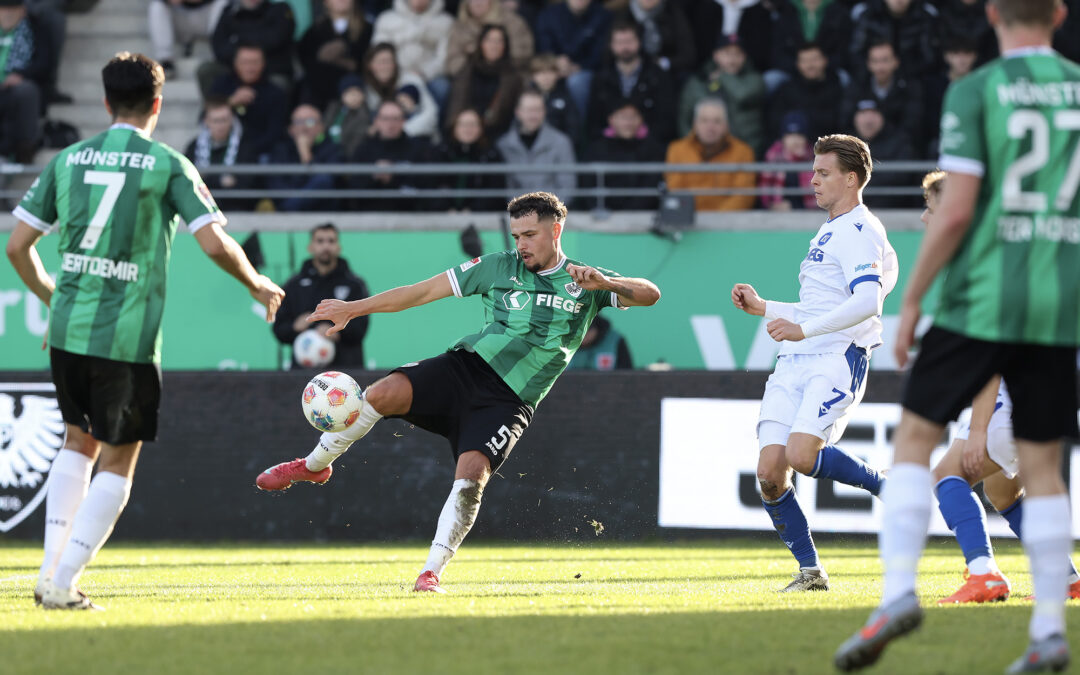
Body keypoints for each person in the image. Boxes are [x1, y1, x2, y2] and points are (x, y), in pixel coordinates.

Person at [833, 2, 1080, 671]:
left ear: (994, 13)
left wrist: (912, 298)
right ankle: (1051, 630)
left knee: (918, 441)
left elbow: (959, 205)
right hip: (1058, 299)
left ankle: (898, 594)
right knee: (1039, 468)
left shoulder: (977, 90)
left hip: (987, 290)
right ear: (1058, 13)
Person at [254, 191, 661, 593]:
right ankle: (313, 464)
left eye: (529, 235)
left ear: (556, 231)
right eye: (516, 234)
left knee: (471, 478)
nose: (520, 244)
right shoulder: (499, 266)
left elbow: (650, 294)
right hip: (465, 368)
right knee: (380, 393)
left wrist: (607, 282)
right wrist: (354, 308)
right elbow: (422, 292)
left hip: (510, 401)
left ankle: (431, 572)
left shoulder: (585, 280)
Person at [5, 52, 283, 610]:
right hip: (126, 337)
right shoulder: (168, 165)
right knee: (118, 458)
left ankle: (47, 574)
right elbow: (213, 242)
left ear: (107, 103)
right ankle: (61, 585)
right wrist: (255, 282)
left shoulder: (67, 161)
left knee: (75, 443)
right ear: (157, 104)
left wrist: (53, 297)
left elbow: (17, 246)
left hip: (68, 329)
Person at [731, 133, 896, 593]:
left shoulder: (862, 231)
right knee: (768, 474)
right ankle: (810, 573)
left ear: (851, 178)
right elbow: (819, 304)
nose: (813, 179)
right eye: (814, 171)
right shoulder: (829, 229)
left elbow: (868, 302)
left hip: (836, 357)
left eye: (823, 173)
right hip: (796, 358)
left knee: (803, 456)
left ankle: (888, 487)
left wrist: (803, 329)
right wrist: (766, 307)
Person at [913, 172, 1080, 606]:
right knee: (1002, 490)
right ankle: (1066, 578)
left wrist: (978, 430)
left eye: (930, 208)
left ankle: (984, 574)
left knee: (947, 476)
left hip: (1008, 399)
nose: (924, 218)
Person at [273, 223, 370, 369]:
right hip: (303, 373)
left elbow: (361, 327)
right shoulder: (294, 285)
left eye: (331, 241)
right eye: (320, 241)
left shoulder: (354, 284)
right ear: (310, 247)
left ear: (338, 247)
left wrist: (336, 331)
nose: (326, 246)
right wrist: (295, 327)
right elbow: (279, 329)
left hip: (345, 370)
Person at [587, 20, 676, 143]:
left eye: (629, 41)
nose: (625, 47)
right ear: (611, 45)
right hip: (610, 146)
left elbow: (666, 119)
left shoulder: (658, 75)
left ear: (639, 42)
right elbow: (593, 122)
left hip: (649, 145)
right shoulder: (601, 78)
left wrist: (644, 136)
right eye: (619, 42)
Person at [678, 33, 766, 156]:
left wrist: (722, 76)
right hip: (703, 153)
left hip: (745, 153)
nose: (732, 59)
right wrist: (695, 148)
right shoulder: (698, 82)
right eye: (727, 53)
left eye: (737, 54)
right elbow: (684, 121)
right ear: (716, 55)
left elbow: (742, 95)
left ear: (744, 57)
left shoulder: (755, 80)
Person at [665, 98, 756, 211]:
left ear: (726, 126)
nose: (710, 127)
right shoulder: (677, 150)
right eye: (704, 121)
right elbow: (675, 191)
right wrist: (694, 218)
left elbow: (743, 195)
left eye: (717, 121)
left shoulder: (743, 152)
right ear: (695, 124)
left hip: (728, 224)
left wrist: (717, 220)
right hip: (688, 223)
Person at [533, 0, 613, 121]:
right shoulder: (549, 14)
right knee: (540, 77)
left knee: (577, 82)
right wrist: (556, 61)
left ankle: (579, 128)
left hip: (588, 69)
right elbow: (544, 46)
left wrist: (579, 66)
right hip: (553, 66)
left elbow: (601, 52)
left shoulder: (603, 15)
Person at [580, 99, 665, 210]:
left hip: (642, 215)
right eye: (623, 117)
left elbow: (652, 185)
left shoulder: (653, 148)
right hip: (603, 217)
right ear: (611, 119)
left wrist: (631, 212)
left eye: (633, 117)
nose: (628, 122)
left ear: (641, 120)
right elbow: (588, 185)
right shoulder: (596, 149)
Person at [208, 43, 289, 158]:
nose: (250, 68)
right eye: (245, 62)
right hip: (222, 149)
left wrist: (246, 151)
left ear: (263, 64)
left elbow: (275, 133)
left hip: (259, 152)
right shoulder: (221, 86)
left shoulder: (275, 93)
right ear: (235, 63)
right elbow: (204, 120)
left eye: (255, 62)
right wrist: (230, 102)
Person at [350, 100, 430, 211]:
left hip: (408, 216)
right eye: (385, 118)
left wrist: (393, 178)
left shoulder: (417, 150)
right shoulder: (363, 150)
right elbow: (354, 189)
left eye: (395, 119)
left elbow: (423, 188)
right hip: (368, 216)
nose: (390, 124)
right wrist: (374, 176)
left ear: (403, 121)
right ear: (376, 121)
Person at [446, 24, 524, 138]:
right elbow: (455, 106)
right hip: (465, 131)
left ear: (505, 46)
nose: (494, 45)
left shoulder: (513, 77)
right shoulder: (466, 71)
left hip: (498, 134)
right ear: (481, 43)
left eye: (499, 41)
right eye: (489, 40)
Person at [495, 90, 577, 197]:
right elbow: (505, 187)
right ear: (518, 112)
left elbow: (567, 185)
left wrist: (545, 210)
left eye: (538, 110)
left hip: (551, 211)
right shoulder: (504, 144)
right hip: (515, 211)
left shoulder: (561, 142)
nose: (534, 115)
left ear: (544, 112)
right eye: (529, 110)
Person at [184, 97, 259, 211]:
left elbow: (248, 184)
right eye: (216, 120)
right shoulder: (194, 146)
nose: (221, 125)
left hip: (236, 209)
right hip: (201, 208)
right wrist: (222, 181)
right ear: (206, 121)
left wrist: (206, 178)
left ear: (232, 120)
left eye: (224, 120)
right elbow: (188, 182)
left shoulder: (246, 146)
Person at [266, 104, 345, 212]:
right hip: (290, 207)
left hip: (322, 211)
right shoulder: (281, 149)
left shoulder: (332, 148)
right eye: (298, 122)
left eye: (310, 122)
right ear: (291, 129)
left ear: (321, 127)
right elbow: (276, 185)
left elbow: (329, 182)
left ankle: (288, 209)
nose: (304, 127)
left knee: (323, 179)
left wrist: (306, 156)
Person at [296, 0, 372, 111]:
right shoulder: (313, 31)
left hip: (354, 89)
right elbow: (307, 62)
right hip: (319, 92)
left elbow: (366, 63)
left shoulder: (367, 30)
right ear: (326, 2)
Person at [768, 41, 847, 144]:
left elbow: (841, 123)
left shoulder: (839, 88)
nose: (810, 65)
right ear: (798, 64)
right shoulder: (786, 90)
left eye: (814, 59)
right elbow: (775, 123)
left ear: (825, 60)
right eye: (804, 61)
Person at [358, 43, 439, 141]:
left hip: (414, 136)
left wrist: (399, 130)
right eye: (380, 62)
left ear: (395, 64)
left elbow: (431, 113)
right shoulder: (366, 90)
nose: (384, 66)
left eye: (388, 61)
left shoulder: (411, 80)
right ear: (370, 65)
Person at [430, 107, 506, 212]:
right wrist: (446, 209)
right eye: (463, 124)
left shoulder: (490, 155)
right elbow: (432, 186)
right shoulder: (441, 152)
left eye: (473, 125)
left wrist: (473, 210)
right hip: (443, 216)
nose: (468, 129)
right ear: (455, 127)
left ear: (481, 128)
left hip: (480, 217)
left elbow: (495, 190)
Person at [0, 0, 48, 163]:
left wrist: (20, 75)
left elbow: (43, 63)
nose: (7, 14)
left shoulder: (34, 29)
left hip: (14, 87)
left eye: (12, 10)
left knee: (25, 92)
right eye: (3, 9)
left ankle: (20, 152)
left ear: (22, 11)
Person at [850, 98, 917, 208]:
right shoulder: (846, 143)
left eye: (874, 113)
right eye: (863, 113)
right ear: (854, 118)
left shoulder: (900, 141)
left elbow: (902, 175)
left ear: (883, 117)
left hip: (893, 209)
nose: (868, 120)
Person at [371, 0, 454, 83]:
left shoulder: (446, 22)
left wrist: (424, 73)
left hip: (429, 77)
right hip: (394, 75)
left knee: (442, 86)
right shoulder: (387, 19)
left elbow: (444, 58)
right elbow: (379, 53)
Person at [148, 0, 229, 79]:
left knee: (223, 2)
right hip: (179, 17)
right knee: (157, 5)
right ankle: (166, 60)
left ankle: (220, 57)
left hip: (207, 16)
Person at [614, 0, 696, 75]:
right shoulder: (625, 15)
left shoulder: (673, 12)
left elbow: (688, 53)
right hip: (632, 69)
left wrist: (665, 63)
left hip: (670, 72)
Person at [758, 111, 816, 211]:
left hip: (807, 218)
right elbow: (764, 194)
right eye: (790, 135)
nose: (795, 140)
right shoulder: (772, 157)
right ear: (783, 138)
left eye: (799, 135)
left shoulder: (814, 159)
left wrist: (793, 206)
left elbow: (821, 200)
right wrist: (773, 206)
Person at [565, 315, 633, 370]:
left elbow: (627, 376)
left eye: (587, 330)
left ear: (596, 327)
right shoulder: (560, 342)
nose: (583, 336)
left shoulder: (615, 340)